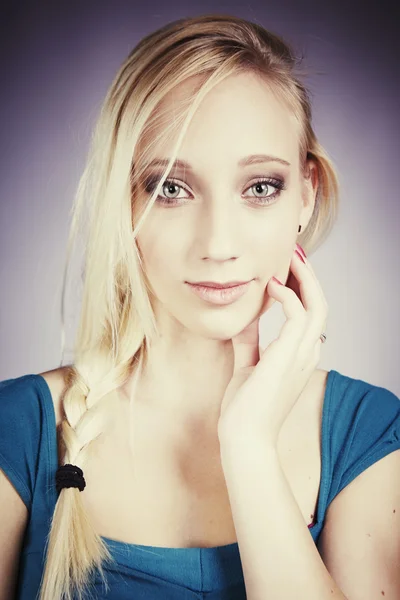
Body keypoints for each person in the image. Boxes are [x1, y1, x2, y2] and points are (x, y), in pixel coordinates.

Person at [1, 13, 400, 600]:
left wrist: (249, 448)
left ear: (305, 195)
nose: (217, 245)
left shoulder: (368, 433)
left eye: (259, 187)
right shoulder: (18, 430)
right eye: (170, 188)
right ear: (122, 201)